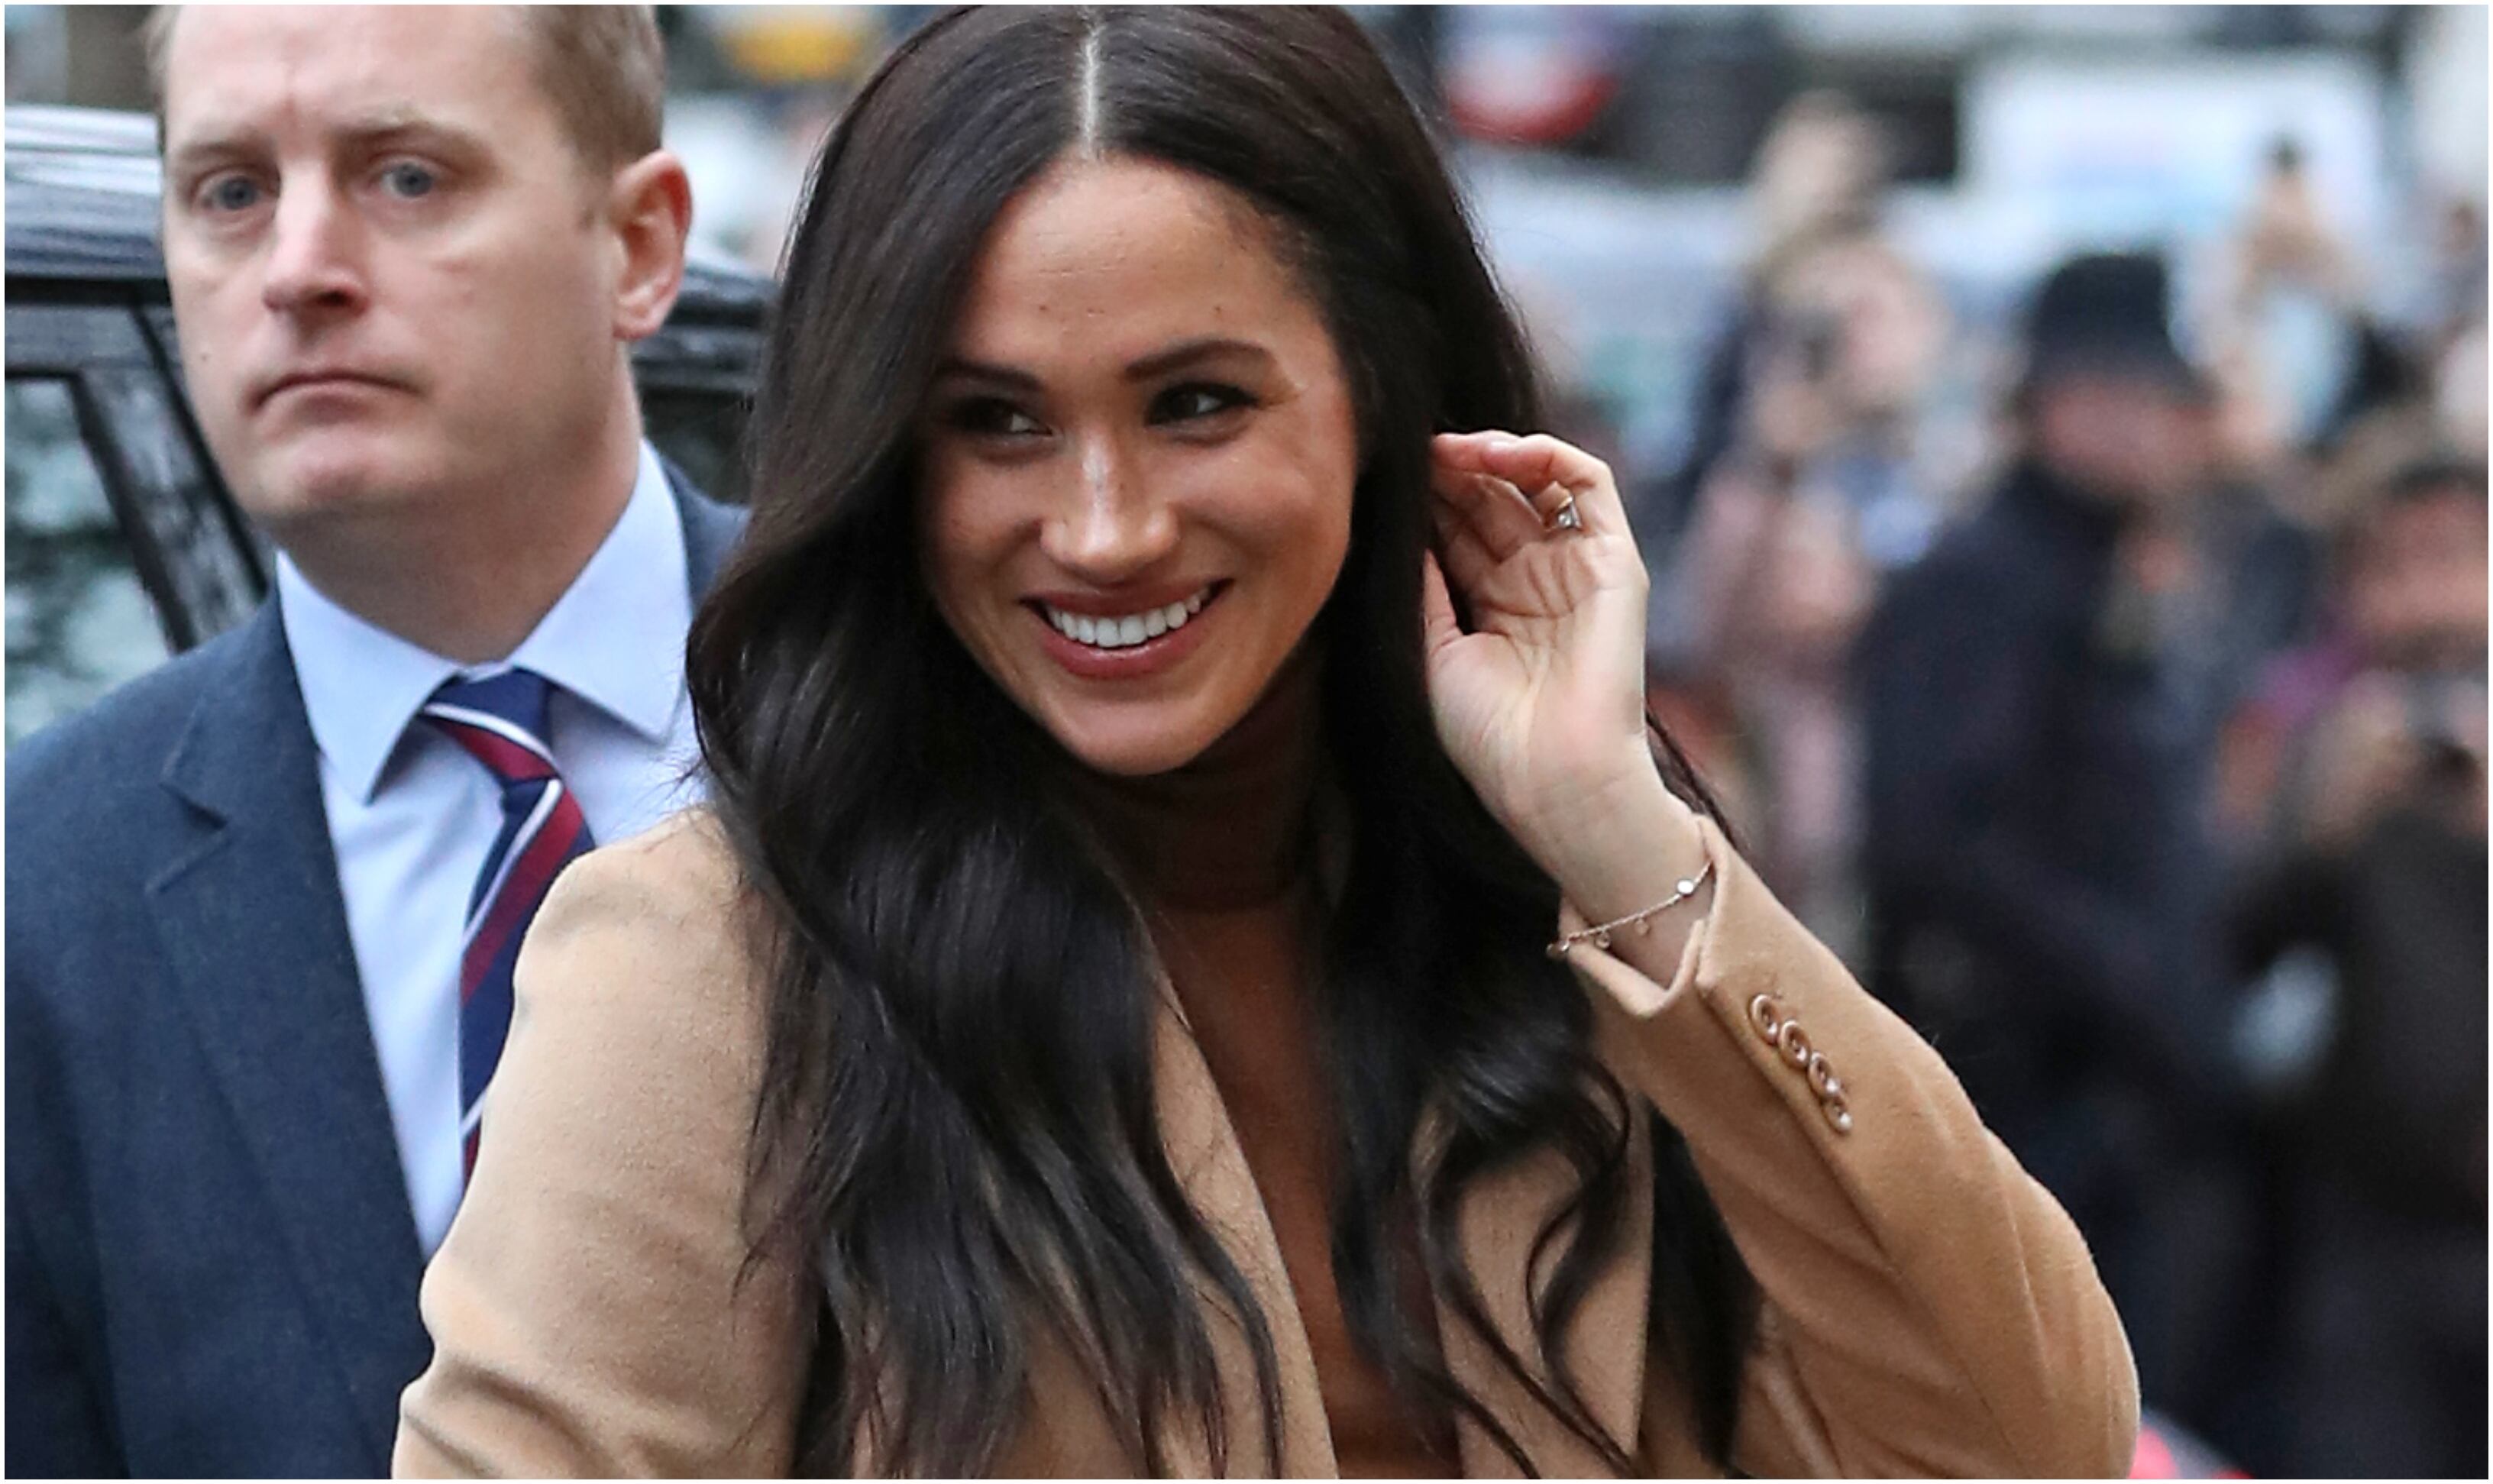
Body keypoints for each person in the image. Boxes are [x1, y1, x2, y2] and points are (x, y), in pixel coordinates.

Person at [396, 9, 2133, 1476]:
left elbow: (2027, 1440)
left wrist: (1618, 832)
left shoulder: (1581, 924)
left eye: (1197, 404)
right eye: (997, 423)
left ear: (1383, 401)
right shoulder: (713, 967)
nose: (1105, 527)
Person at [5, 8, 739, 1476]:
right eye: (230, 191)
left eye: (406, 177)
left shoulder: (947, 712)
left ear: (639, 247)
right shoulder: (43, 885)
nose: (298, 269)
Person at [1854, 251, 2262, 1434]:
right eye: (2124, 395)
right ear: (2051, 402)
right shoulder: (1981, 583)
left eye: (2163, 401)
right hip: (2027, 1105)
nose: (2154, 430)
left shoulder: (2099, 576)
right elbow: (1929, 842)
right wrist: (2131, 982)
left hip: (2116, 1109)